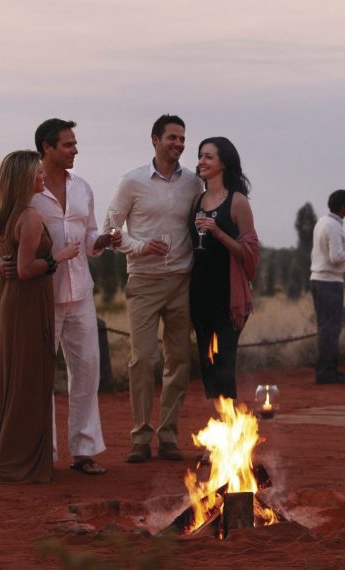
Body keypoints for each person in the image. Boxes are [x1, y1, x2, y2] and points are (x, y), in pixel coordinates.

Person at [0, 119, 117, 476]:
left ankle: (84, 451)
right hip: (39, 298)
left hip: (81, 294)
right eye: (68, 145)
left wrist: (102, 242)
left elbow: (89, 237)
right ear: (47, 147)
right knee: (39, 375)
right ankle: (45, 452)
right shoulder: (24, 191)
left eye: (75, 144)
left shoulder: (84, 189)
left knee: (87, 370)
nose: (75, 150)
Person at [106, 114, 203, 463]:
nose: (178, 144)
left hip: (181, 281)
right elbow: (112, 230)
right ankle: (140, 437)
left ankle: (168, 436)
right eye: (172, 138)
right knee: (143, 359)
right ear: (155, 139)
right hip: (144, 281)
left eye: (182, 139)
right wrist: (141, 247)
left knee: (178, 361)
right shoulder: (131, 181)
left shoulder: (194, 184)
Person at [0, 150, 77, 483]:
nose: (42, 176)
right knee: (30, 378)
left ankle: (9, 456)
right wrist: (57, 258)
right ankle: (23, 464)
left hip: (8, 301)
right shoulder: (31, 217)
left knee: (15, 378)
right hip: (29, 302)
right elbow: (25, 269)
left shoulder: (1, 213)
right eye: (37, 172)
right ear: (23, 178)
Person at [190, 137, 259, 400]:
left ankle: (231, 430)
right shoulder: (197, 201)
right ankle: (217, 430)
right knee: (206, 364)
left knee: (224, 363)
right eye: (200, 156)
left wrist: (217, 232)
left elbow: (250, 252)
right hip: (199, 295)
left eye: (208, 156)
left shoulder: (237, 201)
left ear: (224, 163)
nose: (201, 162)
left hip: (228, 298)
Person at [310, 189, 345, 384]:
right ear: (343, 206)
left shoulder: (322, 222)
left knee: (325, 327)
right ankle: (326, 371)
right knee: (331, 328)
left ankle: (327, 368)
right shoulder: (334, 227)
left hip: (319, 278)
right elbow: (336, 257)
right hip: (329, 281)